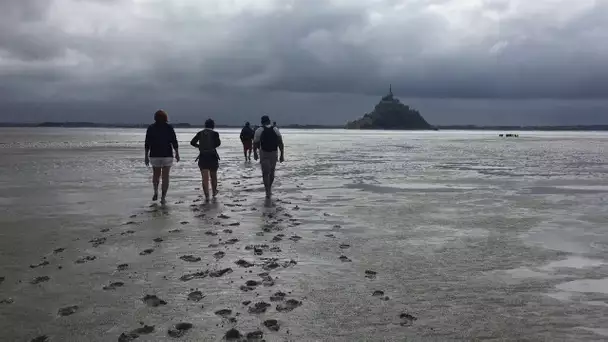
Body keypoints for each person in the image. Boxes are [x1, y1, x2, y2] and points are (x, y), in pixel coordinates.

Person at [144, 109, 180, 204]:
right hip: (167, 155)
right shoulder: (169, 128)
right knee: (165, 177)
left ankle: (156, 191)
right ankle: (163, 197)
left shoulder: (151, 128)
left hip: (154, 155)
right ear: (165, 118)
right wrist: (177, 153)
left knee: (156, 175)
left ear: (155, 118)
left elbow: (147, 143)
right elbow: (174, 141)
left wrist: (146, 156)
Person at [253, 115, 284, 199]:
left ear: (262, 122)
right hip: (274, 152)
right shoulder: (275, 129)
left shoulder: (259, 130)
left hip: (264, 153)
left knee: (265, 173)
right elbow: (280, 143)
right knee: (272, 171)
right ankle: (269, 188)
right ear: (269, 121)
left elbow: (255, 143)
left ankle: (267, 190)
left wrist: (255, 153)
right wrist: (282, 155)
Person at [191, 118, 221, 202]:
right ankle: (214, 192)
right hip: (212, 156)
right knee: (213, 176)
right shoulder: (215, 134)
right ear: (213, 126)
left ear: (205, 125)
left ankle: (207, 195)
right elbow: (218, 144)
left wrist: (199, 147)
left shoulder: (200, 133)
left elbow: (192, 142)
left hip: (203, 157)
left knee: (204, 177)